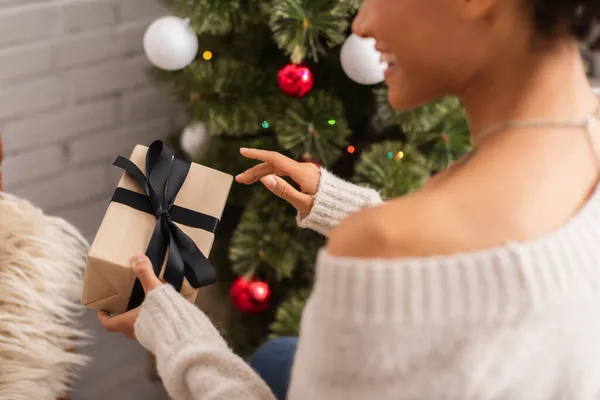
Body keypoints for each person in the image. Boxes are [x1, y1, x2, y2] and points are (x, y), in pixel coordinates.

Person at [99, 0, 600, 398]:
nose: (360, 23)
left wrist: (174, 334)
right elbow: (481, 276)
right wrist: (338, 204)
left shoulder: (383, 244)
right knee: (278, 356)